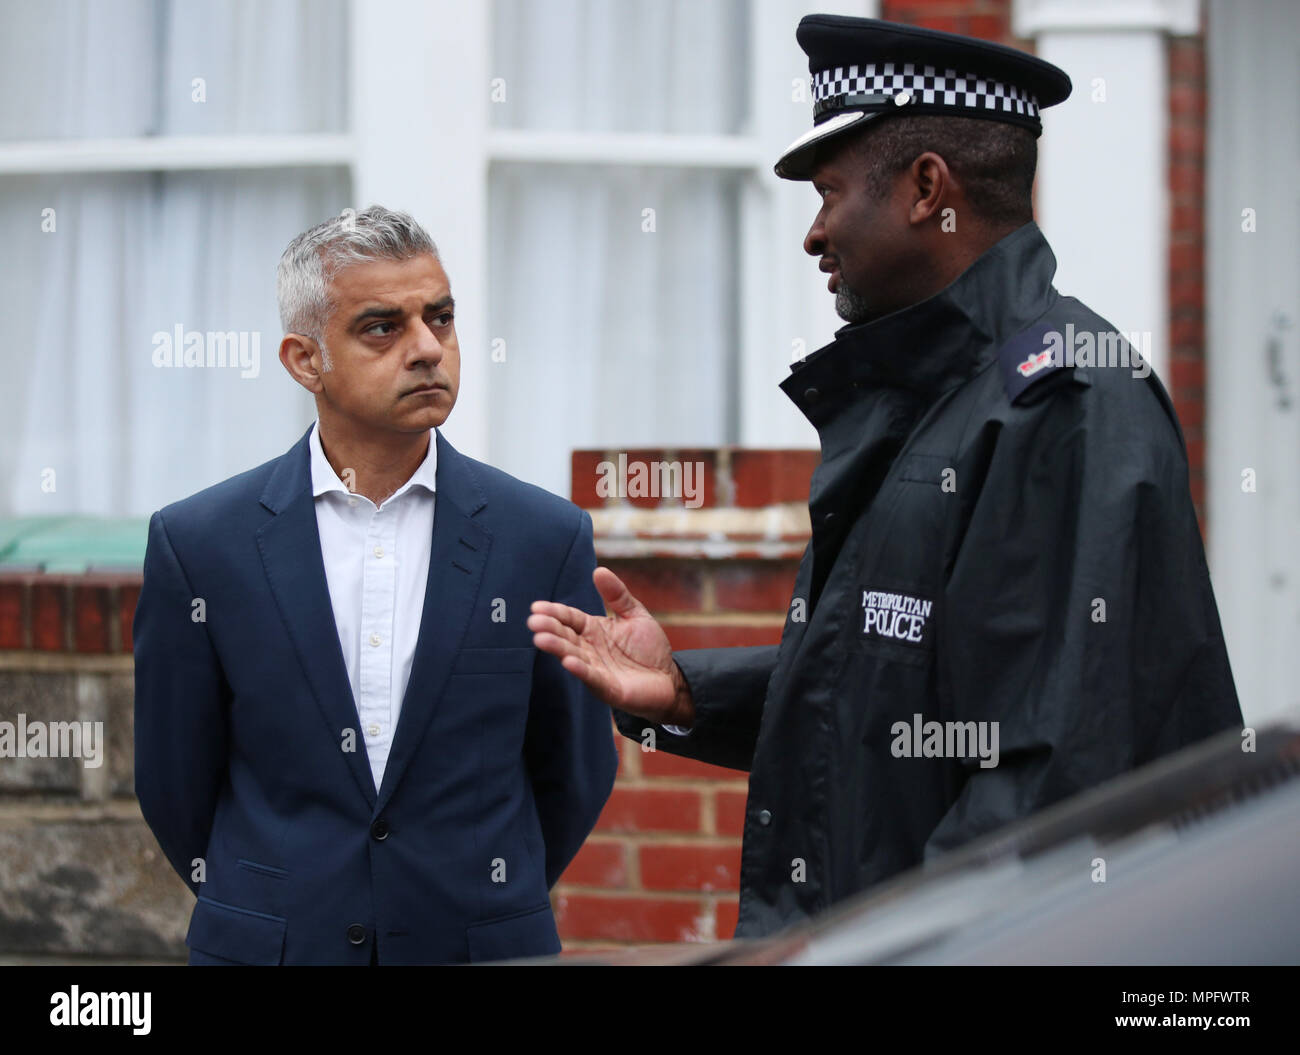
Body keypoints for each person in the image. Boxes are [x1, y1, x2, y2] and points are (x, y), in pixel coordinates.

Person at [528, 15, 1242, 939]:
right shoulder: (943, 389)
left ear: (925, 189)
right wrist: (688, 692)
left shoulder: (1065, 400)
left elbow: (1046, 783)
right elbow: (903, 688)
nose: (815, 234)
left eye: (829, 193)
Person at [134, 205, 617, 964]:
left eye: (442, 318)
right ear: (304, 360)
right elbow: (173, 781)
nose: (428, 349)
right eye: (382, 327)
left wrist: (476, 902)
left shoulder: (542, 538)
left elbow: (576, 771)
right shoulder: (200, 544)